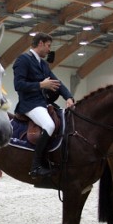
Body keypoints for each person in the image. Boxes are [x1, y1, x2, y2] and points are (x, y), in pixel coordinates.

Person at [13, 32, 75, 177]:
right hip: (29, 104)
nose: (49, 50)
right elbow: (18, 85)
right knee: (49, 125)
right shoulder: (23, 60)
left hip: (42, 103)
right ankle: (35, 166)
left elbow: (57, 83)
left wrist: (69, 97)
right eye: (48, 46)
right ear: (40, 43)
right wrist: (41, 84)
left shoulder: (43, 64)